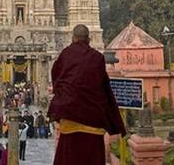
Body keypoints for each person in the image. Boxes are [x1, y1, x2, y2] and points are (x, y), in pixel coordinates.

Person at [48, 24, 127, 165]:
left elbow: (56, 79)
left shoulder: (65, 55)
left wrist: (64, 96)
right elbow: (103, 87)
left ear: (72, 38)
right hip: (93, 119)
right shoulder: (97, 58)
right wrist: (114, 120)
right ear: (89, 39)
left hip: (69, 115)